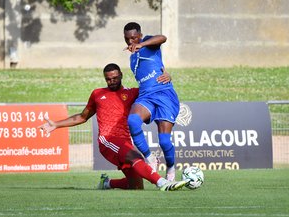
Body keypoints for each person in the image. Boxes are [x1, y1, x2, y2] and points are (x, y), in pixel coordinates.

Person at [39, 63, 188, 191]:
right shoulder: (97, 94)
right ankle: (163, 183)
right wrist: (56, 124)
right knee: (135, 157)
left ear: (121, 75)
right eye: (108, 79)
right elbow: (82, 117)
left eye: (115, 78)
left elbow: (154, 89)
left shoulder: (132, 93)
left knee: (136, 186)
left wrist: (168, 77)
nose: (112, 81)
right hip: (108, 140)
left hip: (125, 142)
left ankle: (107, 183)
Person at [123, 22, 180, 181]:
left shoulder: (148, 42)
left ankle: (170, 167)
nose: (131, 42)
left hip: (164, 94)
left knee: (164, 140)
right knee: (133, 121)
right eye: (127, 39)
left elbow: (163, 38)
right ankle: (150, 158)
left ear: (140, 36)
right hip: (146, 96)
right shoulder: (132, 58)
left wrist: (142, 44)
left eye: (134, 38)